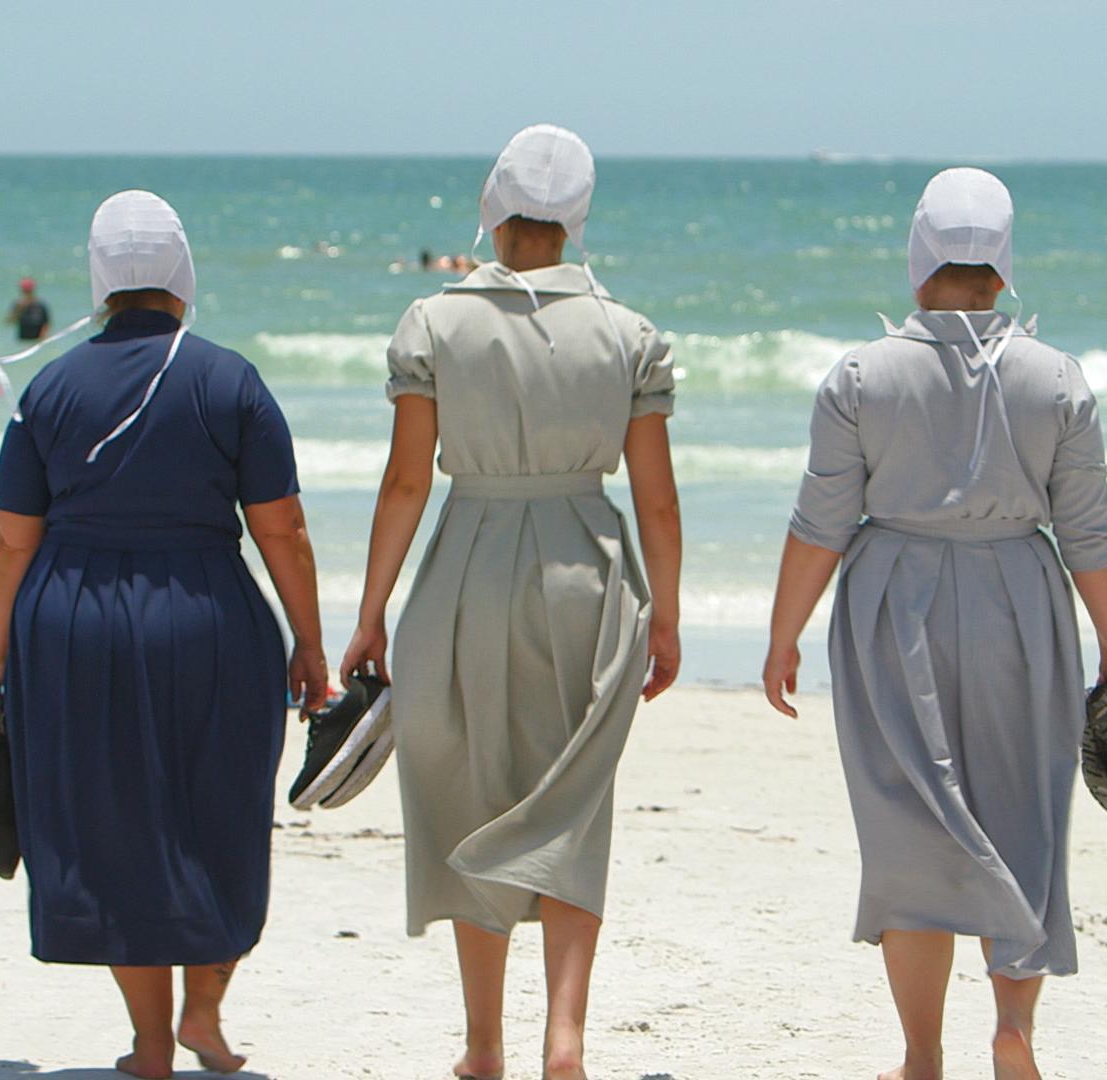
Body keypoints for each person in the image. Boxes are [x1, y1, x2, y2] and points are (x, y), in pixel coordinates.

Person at [761, 168, 1107, 1080]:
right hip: (1022, 593)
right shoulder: (1058, 380)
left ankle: (921, 1055)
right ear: (1004, 266)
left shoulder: (860, 376)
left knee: (909, 824)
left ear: (918, 260)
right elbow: (1091, 530)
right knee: (1022, 813)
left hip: (892, 599)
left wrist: (783, 634)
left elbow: (821, 522)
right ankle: (1012, 1027)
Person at [340, 125, 682, 1080]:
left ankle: (484, 1045)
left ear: (491, 211)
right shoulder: (628, 333)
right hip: (588, 564)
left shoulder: (434, 322)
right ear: (579, 221)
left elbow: (406, 482)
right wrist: (668, 614)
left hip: (468, 565)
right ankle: (563, 1039)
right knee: (572, 797)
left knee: (471, 789)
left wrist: (370, 613)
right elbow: (656, 497)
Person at [0, 190, 327, 1080]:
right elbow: (280, 530)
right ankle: (204, 1014)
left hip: (72, 620)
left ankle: (149, 1043)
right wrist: (312, 642)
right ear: (181, 277)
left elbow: (14, 542)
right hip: (204, 614)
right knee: (222, 808)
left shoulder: (46, 389)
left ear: (99, 283)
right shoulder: (229, 379)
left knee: (112, 824)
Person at [7, 276, 50, 341]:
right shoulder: (18, 305)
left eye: (28, 290)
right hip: (23, 340)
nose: (27, 292)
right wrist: (18, 310)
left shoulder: (40, 305)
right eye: (25, 290)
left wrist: (43, 338)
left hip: (37, 340)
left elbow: (46, 323)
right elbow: (10, 322)